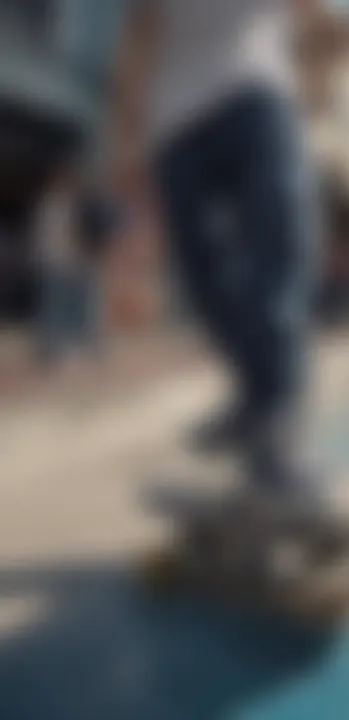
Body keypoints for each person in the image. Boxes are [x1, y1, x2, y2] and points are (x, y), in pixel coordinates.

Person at [121, 0, 320, 498]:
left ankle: (274, 429)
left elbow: (314, 18)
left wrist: (318, 76)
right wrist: (126, 144)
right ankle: (255, 397)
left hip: (256, 97)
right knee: (201, 274)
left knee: (276, 249)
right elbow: (139, 41)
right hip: (175, 124)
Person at [35, 159, 105, 368]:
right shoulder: (55, 205)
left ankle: (79, 345)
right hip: (61, 262)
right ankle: (54, 348)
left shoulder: (64, 205)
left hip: (67, 262)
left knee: (74, 305)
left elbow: (76, 234)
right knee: (58, 306)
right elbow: (60, 236)